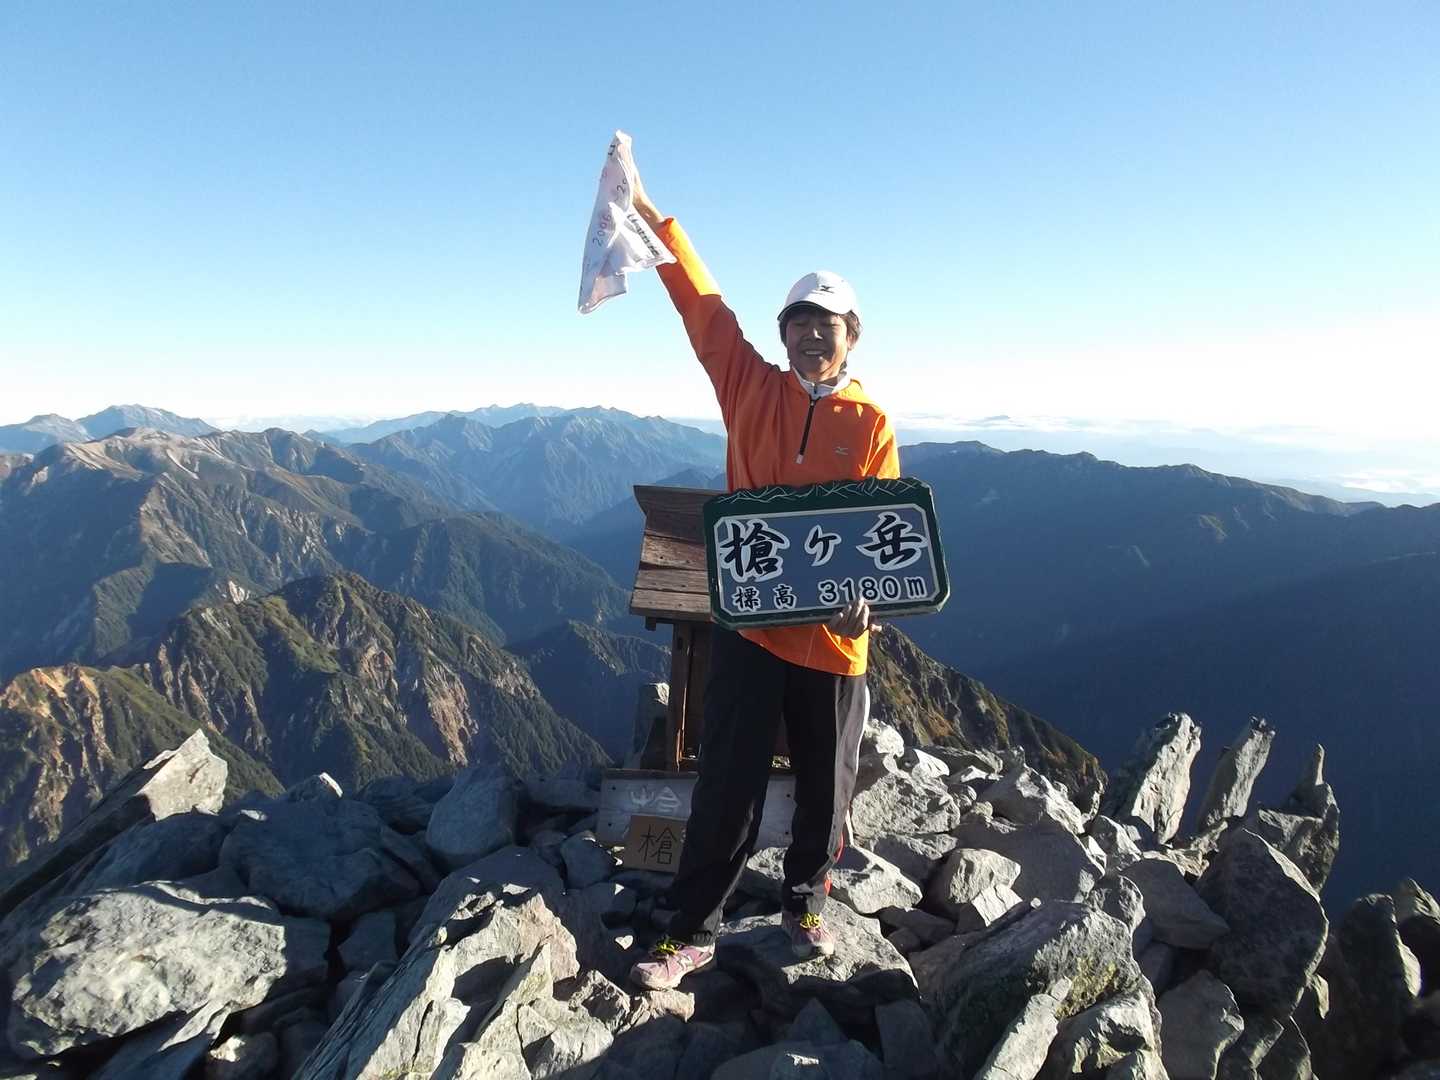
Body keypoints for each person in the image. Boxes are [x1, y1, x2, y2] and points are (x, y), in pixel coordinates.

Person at [624, 150, 900, 992]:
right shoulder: (748, 386)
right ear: (782, 335)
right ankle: (690, 931)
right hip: (751, 628)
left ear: (852, 335)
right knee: (728, 782)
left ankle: (805, 901)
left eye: (828, 323)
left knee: (828, 784)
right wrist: (651, 214)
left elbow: (881, 539)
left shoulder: (872, 424)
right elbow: (702, 307)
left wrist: (866, 604)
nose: (812, 335)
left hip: (834, 643)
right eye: (799, 322)